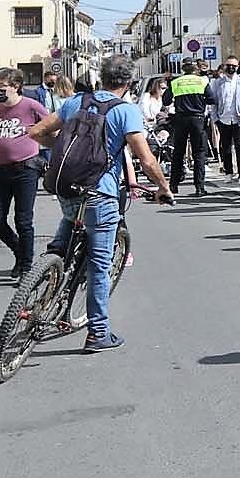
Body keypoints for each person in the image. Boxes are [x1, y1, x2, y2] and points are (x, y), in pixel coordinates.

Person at [28, 55, 173, 352]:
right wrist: (163, 188)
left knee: (68, 225)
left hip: (65, 188)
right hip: (100, 194)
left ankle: (49, 273)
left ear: (102, 78)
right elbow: (146, 159)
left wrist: (64, 150)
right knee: (98, 265)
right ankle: (98, 333)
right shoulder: (126, 111)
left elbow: (36, 132)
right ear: (129, 83)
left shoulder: (76, 102)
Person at [0, 68, 49, 278]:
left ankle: (26, 266)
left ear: (15, 86)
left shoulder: (31, 107)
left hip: (26, 169)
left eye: (1, 87)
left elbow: (54, 128)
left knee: (23, 220)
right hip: (0, 171)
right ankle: (18, 250)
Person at [168, 58, 215, 197]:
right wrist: (200, 102)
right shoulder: (202, 81)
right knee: (199, 153)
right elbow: (212, 99)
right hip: (197, 119)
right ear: (195, 68)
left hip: (181, 119)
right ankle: (199, 188)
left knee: (178, 153)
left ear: (183, 69)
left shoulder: (175, 82)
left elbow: (165, 100)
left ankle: (174, 185)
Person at [211, 59, 240, 180]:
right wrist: (215, 118)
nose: (231, 68)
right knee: (226, 147)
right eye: (228, 65)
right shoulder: (218, 83)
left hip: (239, 120)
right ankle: (228, 172)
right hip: (223, 119)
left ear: (237, 67)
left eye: (233, 66)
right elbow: (214, 102)